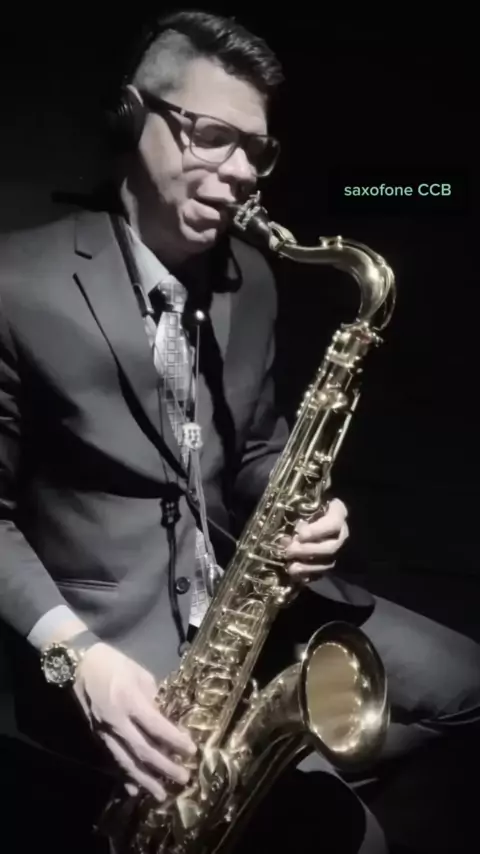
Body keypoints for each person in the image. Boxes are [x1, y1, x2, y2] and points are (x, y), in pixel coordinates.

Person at [0, 9, 479, 854]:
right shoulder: (16, 282)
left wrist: (309, 509)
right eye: (213, 137)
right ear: (131, 116)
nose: (240, 175)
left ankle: (261, 778)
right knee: (355, 842)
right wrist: (76, 657)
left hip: (245, 604)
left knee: (466, 685)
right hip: (109, 646)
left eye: (256, 150)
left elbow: (256, 446)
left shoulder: (251, 277)